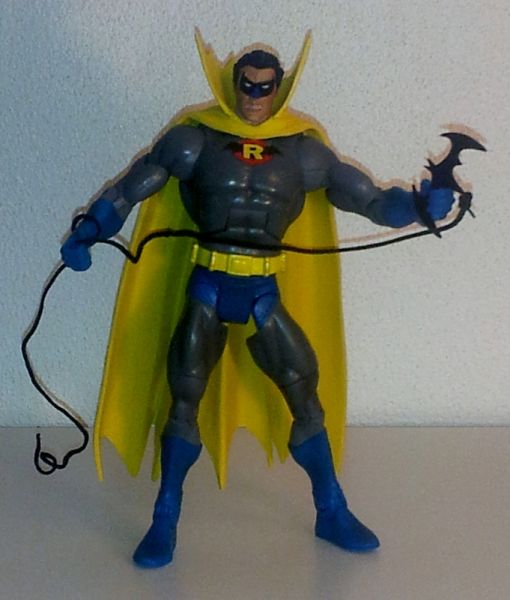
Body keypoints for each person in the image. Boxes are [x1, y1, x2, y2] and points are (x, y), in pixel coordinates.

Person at [61, 36, 453, 569]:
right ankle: (164, 518)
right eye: (246, 86)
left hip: (263, 290)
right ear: (231, 84)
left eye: (264, 89)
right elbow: (132, 188)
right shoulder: (193, 140)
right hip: (208, 284)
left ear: (280, 89)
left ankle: (331, 509)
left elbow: (370, 200)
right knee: (183, 399)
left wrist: (419, 206)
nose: (253, 97)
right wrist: (89, 229)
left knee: (304, 394)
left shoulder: (304, 151)